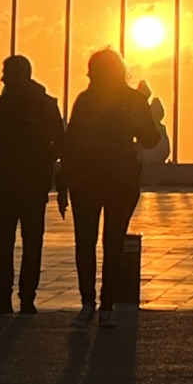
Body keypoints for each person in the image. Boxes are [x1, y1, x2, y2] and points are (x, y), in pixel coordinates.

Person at [59, 49, 161, 329]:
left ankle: (87, 304)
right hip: (121, 180)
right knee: (113, 244)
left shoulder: (86, 100)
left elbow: (71, 142)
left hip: (86, 180)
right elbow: (151, 140)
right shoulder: (133, 101)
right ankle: (106, 307)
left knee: (85, 243)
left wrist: (63, 181)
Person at [0, 55, 65, 315]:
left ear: (17, 75)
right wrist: (45, 162)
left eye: (6, 73)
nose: (3, 78)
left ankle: (3, 296)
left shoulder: (1, 104)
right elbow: (59, 141)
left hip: (7, 180)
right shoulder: (47, 104)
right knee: (32, 241)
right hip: (35, 180)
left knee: (4, 240)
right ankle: (27, 298)